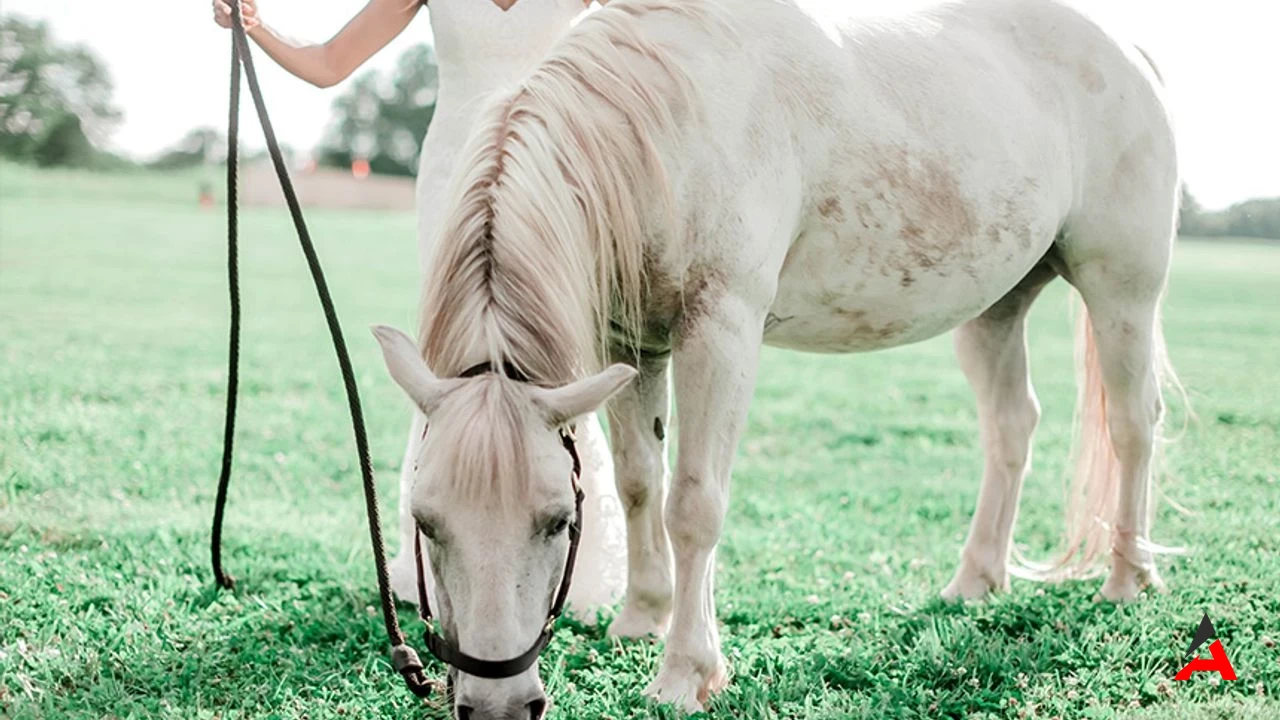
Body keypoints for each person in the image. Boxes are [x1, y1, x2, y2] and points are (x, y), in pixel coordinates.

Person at [211, 0, 626, 615]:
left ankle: (570, 560)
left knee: (551, 349)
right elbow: (330, 63)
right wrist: (255, 25)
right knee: (455, 355)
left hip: (556, 176)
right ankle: (444, 549)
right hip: (454, 177)